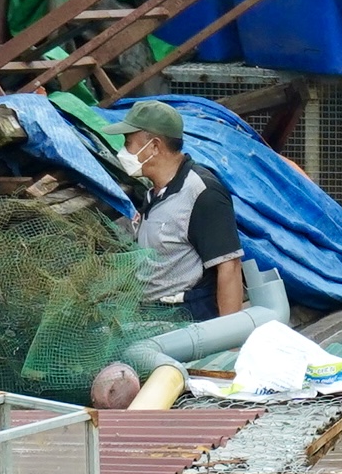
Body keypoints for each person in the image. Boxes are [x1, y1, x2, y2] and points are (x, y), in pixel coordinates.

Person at [104, 101, 244, 321]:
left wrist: (231, 341)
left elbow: (230, 268)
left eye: (128, 142)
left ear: (154, 147)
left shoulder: (202, 192)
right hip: (150, 313)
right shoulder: (153, 193)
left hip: (188, 317)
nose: (123, 151)